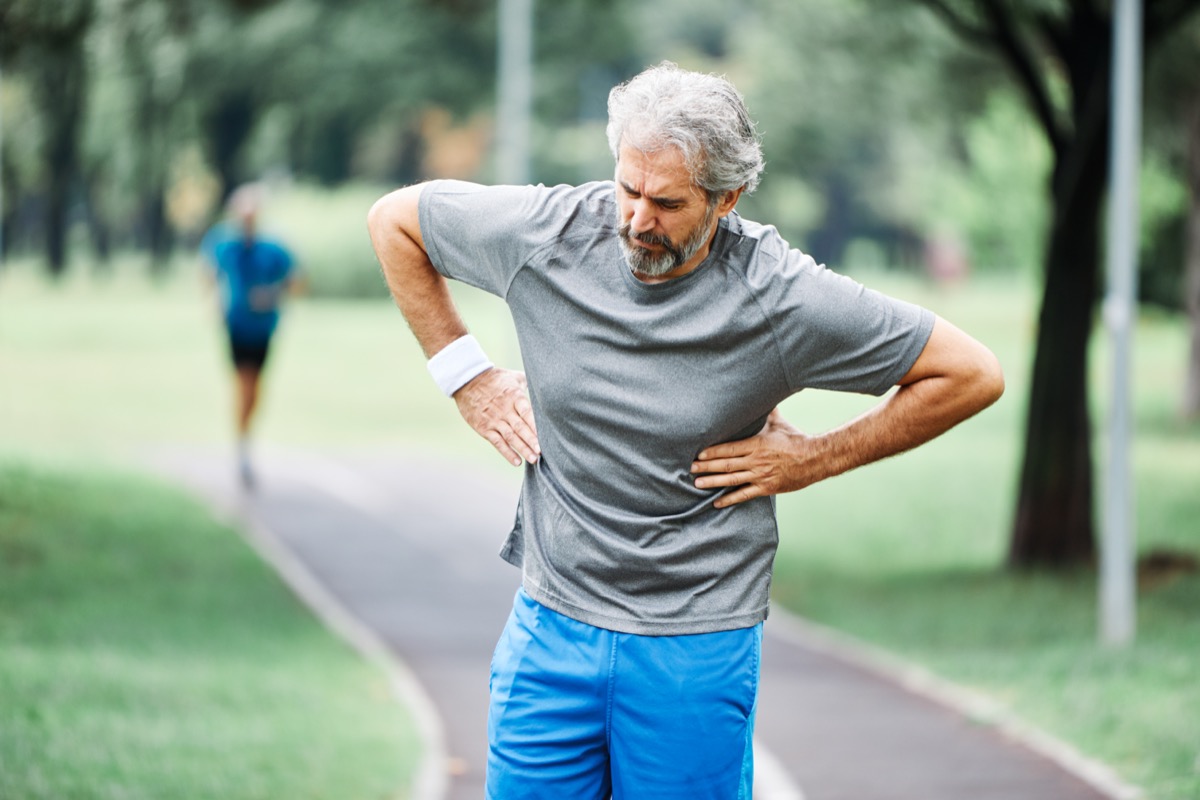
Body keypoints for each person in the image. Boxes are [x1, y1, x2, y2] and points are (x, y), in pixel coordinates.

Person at [367, 62, 1004, 799]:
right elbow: (395, 221)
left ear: (727, 198)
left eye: (667, 203)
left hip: (692, 648)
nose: (638, 221)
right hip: (550, 631)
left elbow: (969, 373)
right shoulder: (549, 233)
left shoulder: (779, 295)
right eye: (628, 189)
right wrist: (468, 378)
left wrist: (814, 459)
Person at [201, 183, 299, 489]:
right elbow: (208, 274)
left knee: (255, 389)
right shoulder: (222, 242)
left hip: (264, 327)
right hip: (236, 326)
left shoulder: (274, 248)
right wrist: (215, 301)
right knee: (244, 384)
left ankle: (244, 439)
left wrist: (270, 295)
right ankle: (243, 447)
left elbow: (297, 283)